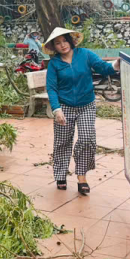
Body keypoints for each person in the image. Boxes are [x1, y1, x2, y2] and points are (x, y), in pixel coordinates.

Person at [44, 27, 120, 196]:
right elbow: (51, 88)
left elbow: (103, 68)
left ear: (71, 41)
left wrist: (116, 64)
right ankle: (60, 174)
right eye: (58, 43)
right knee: (62, 142)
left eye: (64, 41)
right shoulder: (55, 64)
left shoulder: (84, 54)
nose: (62, 45)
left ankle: (82, 177)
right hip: (64, 107)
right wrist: (57, 110)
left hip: (86, 105)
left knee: (87, 138)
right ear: (54, 47)